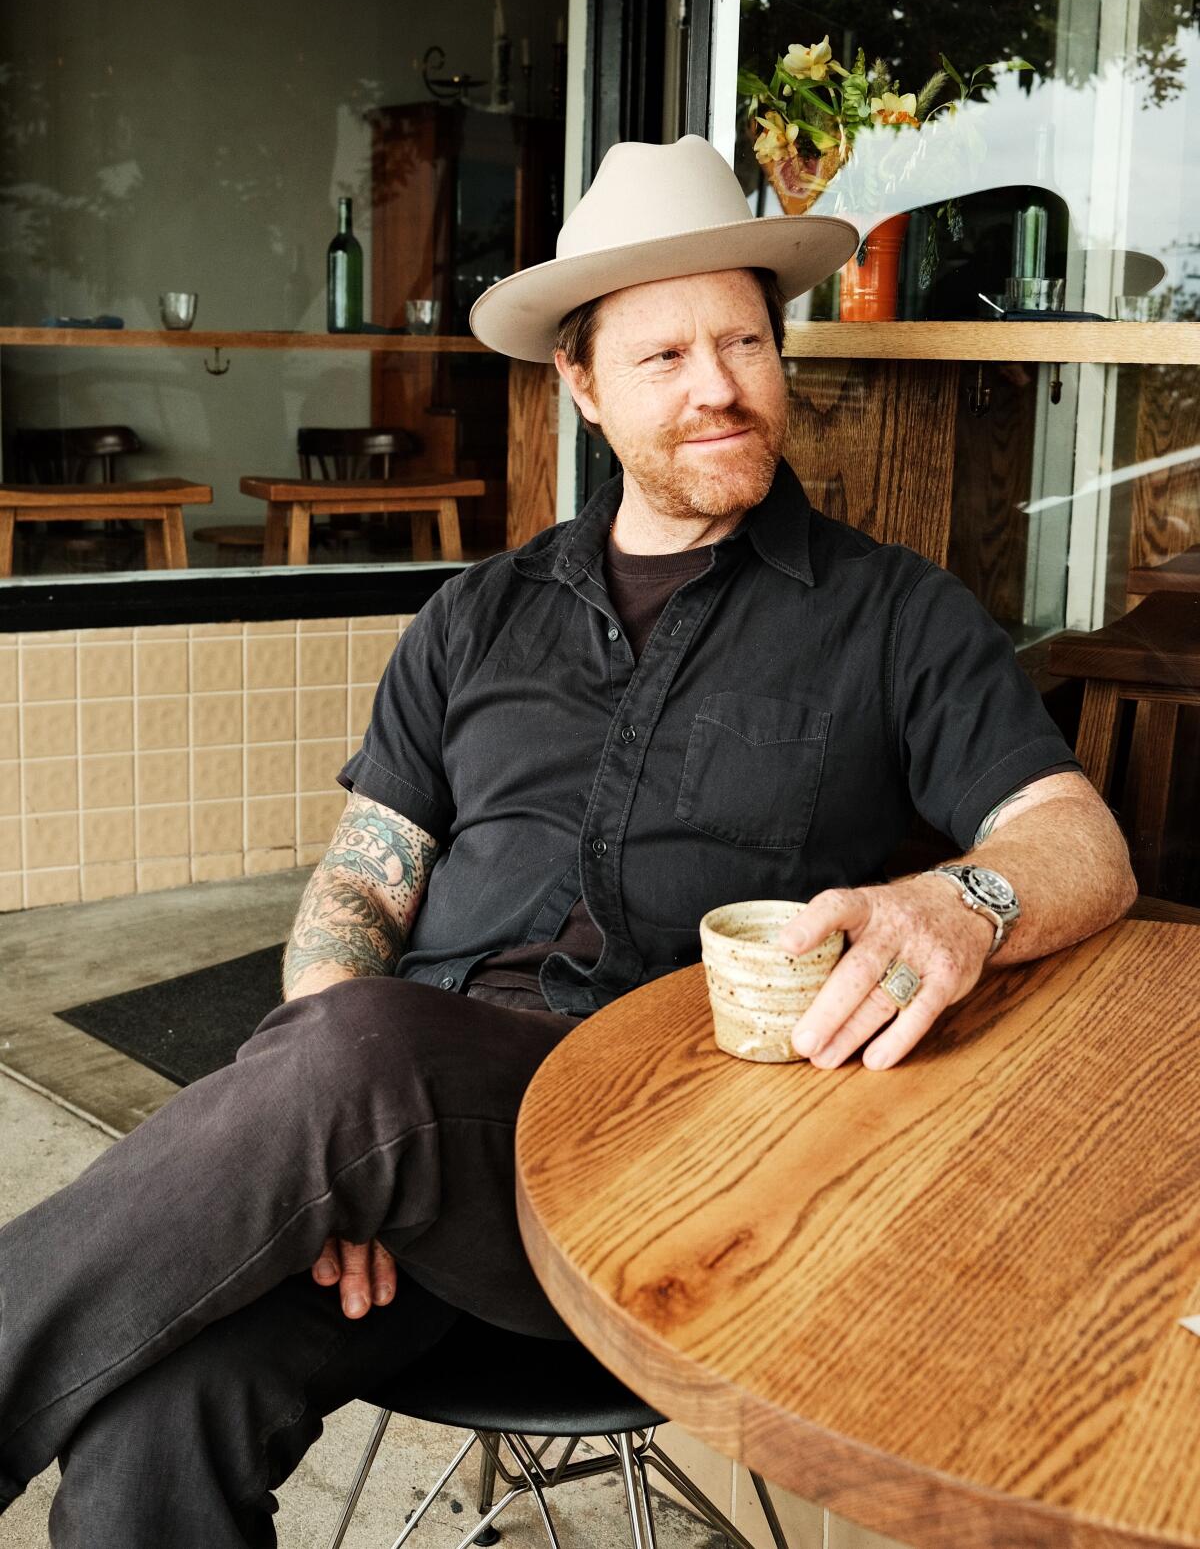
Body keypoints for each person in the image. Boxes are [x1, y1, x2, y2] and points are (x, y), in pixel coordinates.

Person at [0, 136, 1135, 1547]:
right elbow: (355, 891)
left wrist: (957, 903)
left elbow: (1083, 842)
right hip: (421, 1165)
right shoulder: (474, 618)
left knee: (363, 1057)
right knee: (151, 1423)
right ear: (583, 387)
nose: (717, 384)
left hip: (683, 1176)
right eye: (663, 357)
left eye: (741, 341)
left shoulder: (896, 617)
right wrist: (312, 1152)